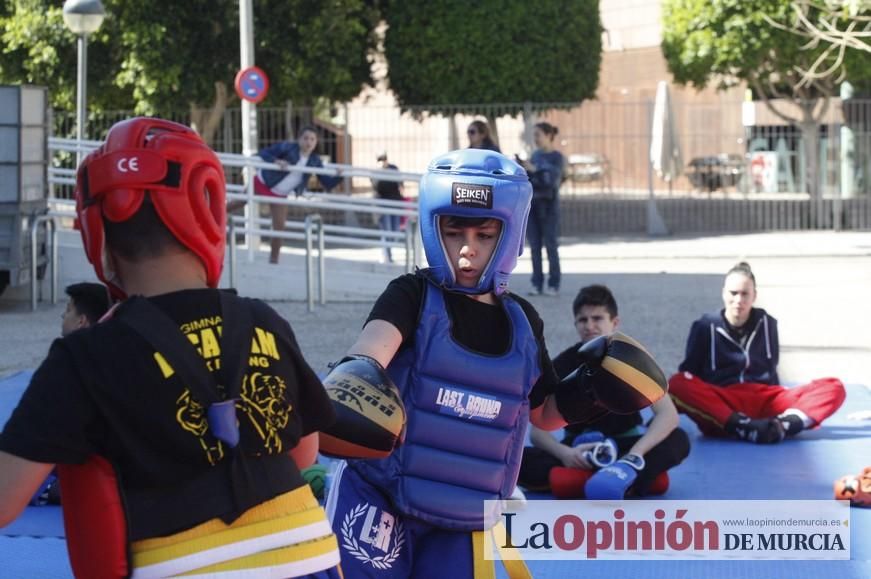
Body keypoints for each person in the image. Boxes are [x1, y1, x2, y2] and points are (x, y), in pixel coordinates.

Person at [0, 117, 342, 578]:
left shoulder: (84, 357)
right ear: (208, 214)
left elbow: (5, 499)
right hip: (311, 558)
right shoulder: (263, 321)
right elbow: (304, 455)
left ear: (96, 235)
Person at [321, 149, 667, 578]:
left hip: (462, 516)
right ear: (433, 229)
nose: (468, 250)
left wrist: (595, 390)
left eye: (485, 235)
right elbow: (371, 351)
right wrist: (355, 378)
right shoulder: (411, 294)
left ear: (510, 236)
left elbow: (542, 414)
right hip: (379, 501)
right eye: (454, 232)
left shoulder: (523, 322)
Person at [519, 284, 690, 499]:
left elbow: (668, 415)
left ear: (614, 322)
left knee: (679, 438)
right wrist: (566, 454)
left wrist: (635, 456)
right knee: (515, 460)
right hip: (579, 451)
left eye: (597, 318)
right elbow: (537, 429)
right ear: (576, 324)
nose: (589, 326)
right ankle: (625, 482)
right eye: (583, 320)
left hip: (624, 449)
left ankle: (593, 479)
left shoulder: (632, 359)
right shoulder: (562, 364)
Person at [669, 261, 846, 444]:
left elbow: (772, 369)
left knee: (834, 386)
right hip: (724, 403)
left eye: (745, 294)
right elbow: (688, 375)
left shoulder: (768, 324)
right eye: (733, 293)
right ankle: (742, 426)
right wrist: (666, 414)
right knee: (677, 383)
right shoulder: (704, 327)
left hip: (767, 401)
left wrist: (786, 405)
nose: (738, 300)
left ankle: (782, 426)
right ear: (723, 294)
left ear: (754, 296)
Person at [255, 125, 343, 264]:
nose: (309, 142)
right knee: (239, 202)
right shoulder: (288, 147)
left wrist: (339, 175)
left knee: (279, 227)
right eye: (306, 138)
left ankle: (273, 261)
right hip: (264, 182)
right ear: (299, 139)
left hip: (280, 194)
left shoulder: (315, 161)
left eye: (312, 139)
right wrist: (276, 161)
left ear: (316, 142)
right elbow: (264, 153)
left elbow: (327, 183)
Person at [518, 122, 563, 296]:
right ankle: (537, 283)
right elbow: (532, 179)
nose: (535, 139)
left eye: (538, 135)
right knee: (535, 246)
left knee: (551, 245)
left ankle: (554, 283)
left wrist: (535, 170)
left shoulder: (557, 157)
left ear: (548, 135)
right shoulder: (535, 155)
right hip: (533, 206)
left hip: (549, 208)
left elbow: (551, 180)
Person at [373, 152, 404, 263]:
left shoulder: (393, 169)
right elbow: (376, 187)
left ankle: (385, 252)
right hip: (382, 205)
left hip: (395, 203)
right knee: (386, 230)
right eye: (380, 160)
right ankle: (387, 256)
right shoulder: (375, 172)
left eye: (384, 159)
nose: (382, 162)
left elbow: (400, 184)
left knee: (395, 231)